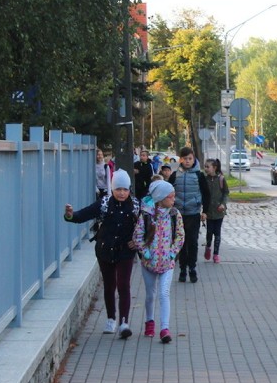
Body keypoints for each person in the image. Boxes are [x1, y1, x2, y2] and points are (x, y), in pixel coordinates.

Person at [64, 169, 139, 338]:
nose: (121, 193)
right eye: (118, 189)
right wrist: (70, 215)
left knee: (124, 285)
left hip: (126, 251)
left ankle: (124, 323)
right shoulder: (104, 203)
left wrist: (138, 242)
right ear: (112, 189)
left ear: (129, 190)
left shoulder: (136, 205)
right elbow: (83, 215)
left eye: (125, 189)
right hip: (105, 249)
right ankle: (111, 318)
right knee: (109, 284)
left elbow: (146, 226)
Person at [133, 180, 184, 344]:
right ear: (160, 198)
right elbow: (137, 236)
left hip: (167, 263)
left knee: (164, 293)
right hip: (149, 263)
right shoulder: (147, 215)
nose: (173, 200)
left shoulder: (175, 214)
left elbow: (180, 236)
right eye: (170, 197)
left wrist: (172, 253)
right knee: (150, 295)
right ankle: (149, 321)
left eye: (174, 196)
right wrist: (144, 252)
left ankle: (164, 328)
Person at [168, 146, 209, 283]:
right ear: (181, 159)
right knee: (180, 242)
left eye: (190, 158)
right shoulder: (175, 175)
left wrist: (205, 211)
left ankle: (192, 267)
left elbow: (206, 193)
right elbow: (168, 193)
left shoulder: (199, 175)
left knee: (192, 242)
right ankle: (182, 269)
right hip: (178, 214)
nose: (187, 161)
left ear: (194, 159)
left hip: (193, 213)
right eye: (185, 159)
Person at [202, 158, 229, 264]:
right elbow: (202, 194)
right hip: (208, 211)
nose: (206, 169)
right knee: (209, 232)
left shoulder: (221, 179)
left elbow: (226, 193)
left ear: (214, 167)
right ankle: (208, 247)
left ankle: (216, 254)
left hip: (219, 211)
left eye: (208, 167)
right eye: (205, 166)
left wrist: (223, 204)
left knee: (217, 232)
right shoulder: (204, 179)